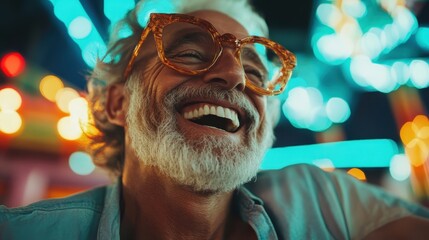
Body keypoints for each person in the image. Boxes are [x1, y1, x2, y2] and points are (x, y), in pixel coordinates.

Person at [1, 0, 429, 239]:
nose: (235, 76)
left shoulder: (320, 200)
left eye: (256, 71)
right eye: (188, 52)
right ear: (116, 103)